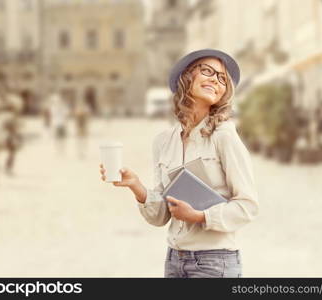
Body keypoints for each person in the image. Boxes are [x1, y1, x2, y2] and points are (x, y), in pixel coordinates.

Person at [99, 49, 259, 278]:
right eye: (207, 71)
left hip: (215, 263)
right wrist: (137, 187)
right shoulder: (163, 142)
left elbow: (248, 206)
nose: (215, 79)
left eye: (222, 78)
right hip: (174, 260)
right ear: (186, 77)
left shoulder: (224, 135)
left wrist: (200, 216)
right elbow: (161, 216)